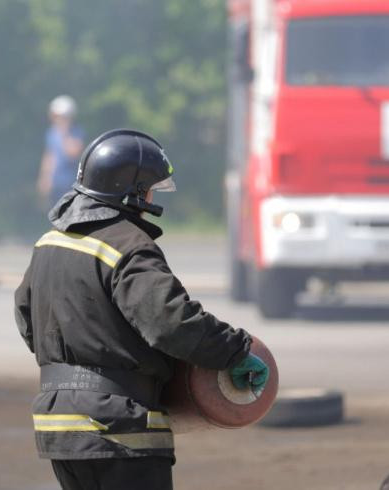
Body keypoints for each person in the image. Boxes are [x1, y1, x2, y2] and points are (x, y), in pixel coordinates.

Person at [14, 129, 270, 490]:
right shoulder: (129, 245)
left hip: (59, 426)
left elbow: (27, 320)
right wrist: (234, 351)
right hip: (120, 427)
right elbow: (171, 322)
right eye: (149, 188)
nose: (152, 196)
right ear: (132, 192)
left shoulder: (49, 243)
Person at [37, 95, 85, 208]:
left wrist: (65, 132)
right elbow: (50, 157)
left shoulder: (76, 132)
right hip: (55, 184)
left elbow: (74, 153)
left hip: (71, 184)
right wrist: (44, 179)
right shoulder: (52, 133)